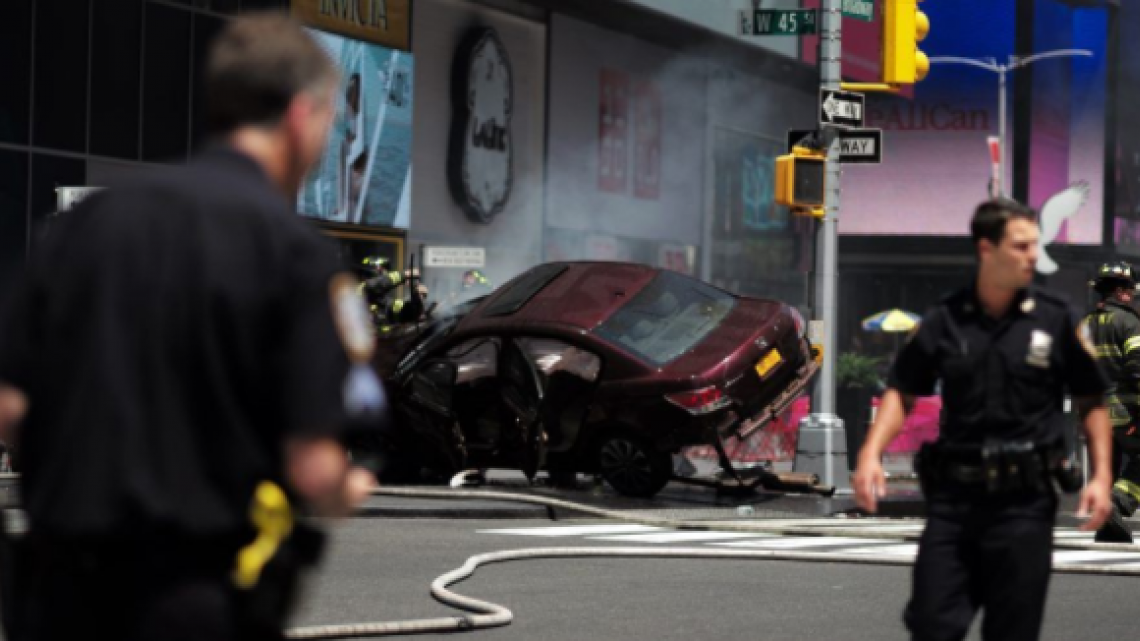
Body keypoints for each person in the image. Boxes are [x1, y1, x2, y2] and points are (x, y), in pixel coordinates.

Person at [0, 12, 379, 641]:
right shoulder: (293, 253)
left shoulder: (83, 228)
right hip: (190, 599)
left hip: (55, 594)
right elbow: (315, 470)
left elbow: (10, 407)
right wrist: (349, 485)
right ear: (298, 114)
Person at [852, 198, 1114, 641]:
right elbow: (903, 391)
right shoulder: (944, 320)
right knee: (932, 623)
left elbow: (1092, 400)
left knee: (1012, 632)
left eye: (1035, 244)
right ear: (986, 249)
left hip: (1025, 504)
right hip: (955, 501)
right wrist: (871, 453)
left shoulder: (1056, 320)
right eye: (1021, 246)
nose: (1033, 255)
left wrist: (1102, 476)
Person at [1084, 261, 1140, 542]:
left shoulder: (1084, 324)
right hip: (1124, 408)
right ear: (1120, 292)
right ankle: (1119, 504)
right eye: (1129, 290)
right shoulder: (1129, 321)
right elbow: (1137, 367)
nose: (1132, 295)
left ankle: (1109, 525)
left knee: (1108, 464)